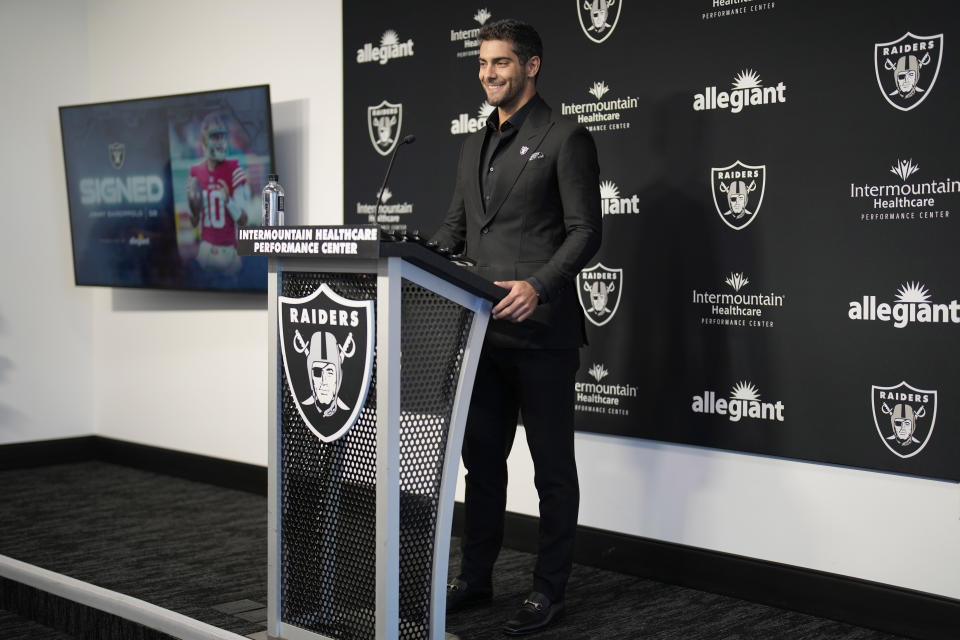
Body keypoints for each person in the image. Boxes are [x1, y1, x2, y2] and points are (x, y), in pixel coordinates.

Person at [430, 18, 602, 636]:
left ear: (531, 66)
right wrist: (414, 254)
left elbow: (586, 230)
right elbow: (455, 231)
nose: (487, 75)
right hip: (481, 333)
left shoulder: (566, 136)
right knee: (482, 466)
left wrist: (539, 286)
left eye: (500, 63)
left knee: (553, 469)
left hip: (543, 333)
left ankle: (549, 590)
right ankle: (476, 581)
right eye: (482, 64)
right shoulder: (473, 144)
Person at [186, 112, 250, 274]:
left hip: (228, 252)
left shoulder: (234, 168)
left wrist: (228, 201)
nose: (221, 141)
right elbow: (194, 223)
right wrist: (193, 210)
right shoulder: (196, 171)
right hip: (205, 250)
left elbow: (243, 220)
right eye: (215, 136)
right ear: (205, 140)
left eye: (222, 136)